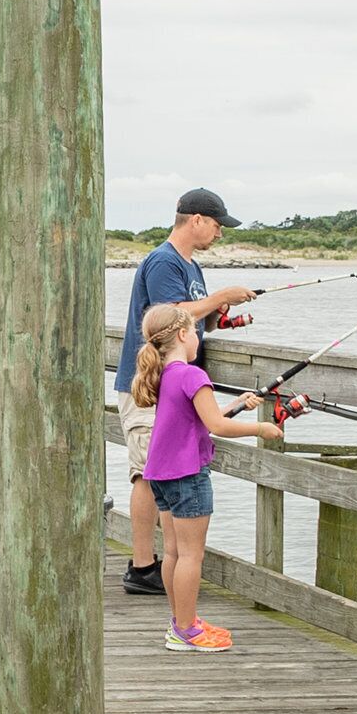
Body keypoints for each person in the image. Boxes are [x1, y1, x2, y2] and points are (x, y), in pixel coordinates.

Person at [118, 190, 260, 598]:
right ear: (196, 220)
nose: (219, 233)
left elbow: (192, 319)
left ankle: (169, 561)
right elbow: (168, 318)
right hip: (151, 386)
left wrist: (218, 317)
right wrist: (219, 298)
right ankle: (143, 566)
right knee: (147, 472)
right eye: (217, 225)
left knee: (157, 470)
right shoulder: (164, 260)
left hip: (175, 385)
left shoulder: (190, 265)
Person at [133, 300, 280, 651]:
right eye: (196, 331)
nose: (199, 337)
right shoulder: (193, 374)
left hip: (162, 475)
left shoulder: (166, 375)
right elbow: (215, 425)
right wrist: (261, 428)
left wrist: (234, 406)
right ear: (184, 334)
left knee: (171, 553)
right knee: (191, 556)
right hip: (188, 476)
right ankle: (187, 630)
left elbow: (194, 418)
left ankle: (180, 622)